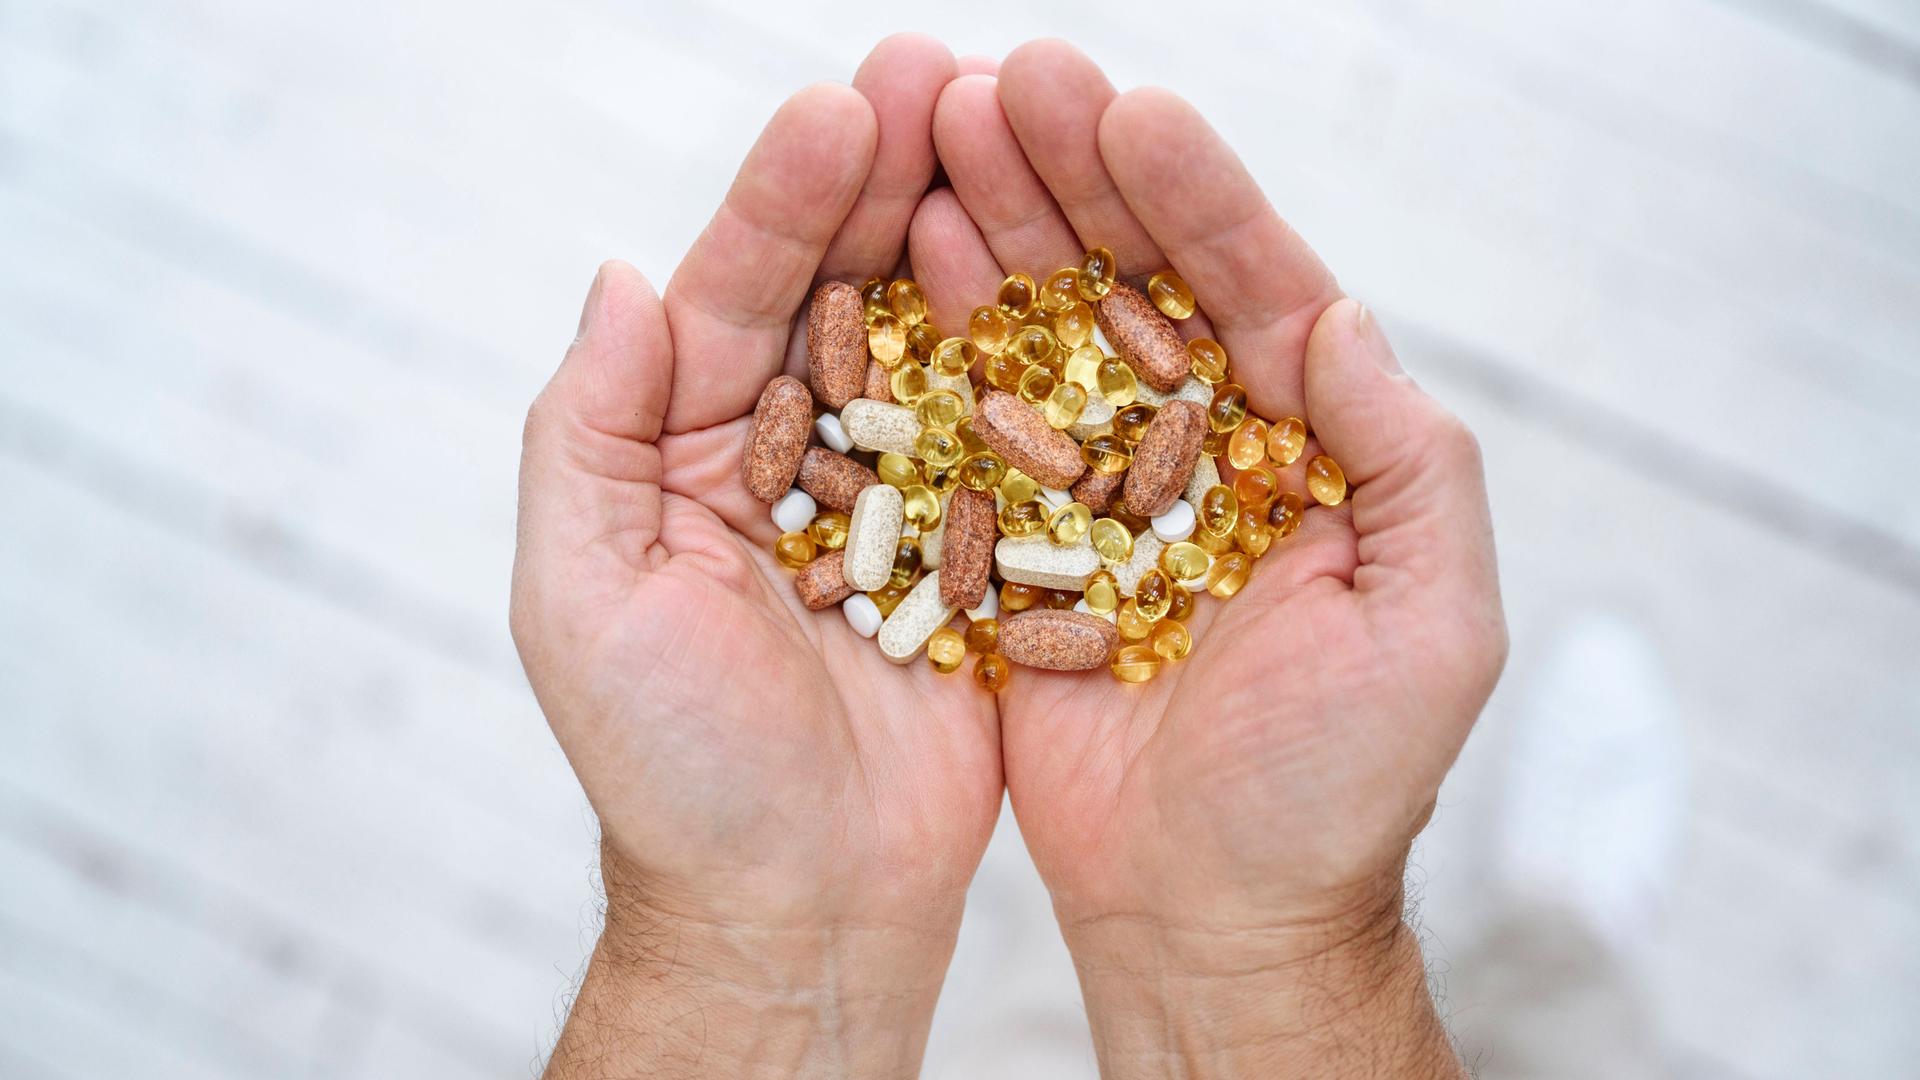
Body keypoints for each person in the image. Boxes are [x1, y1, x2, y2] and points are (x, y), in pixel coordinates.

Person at [509, 33, 1506, 1079]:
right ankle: (1542, 930)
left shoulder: (1075, 475)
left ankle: (1543, 928)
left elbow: (1047, 512)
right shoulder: (891, 476)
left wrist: (1288, 943)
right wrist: (1284, 965)